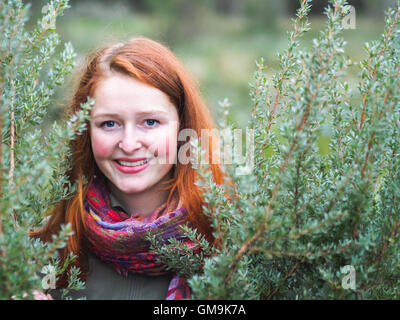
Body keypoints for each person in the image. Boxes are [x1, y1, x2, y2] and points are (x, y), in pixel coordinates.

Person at [31, 37, 224, 300]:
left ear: (183, 128)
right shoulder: (45, 248)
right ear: (85, 132)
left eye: (151, 122)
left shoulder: (231, 244)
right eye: (109, 124)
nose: (130, 143)